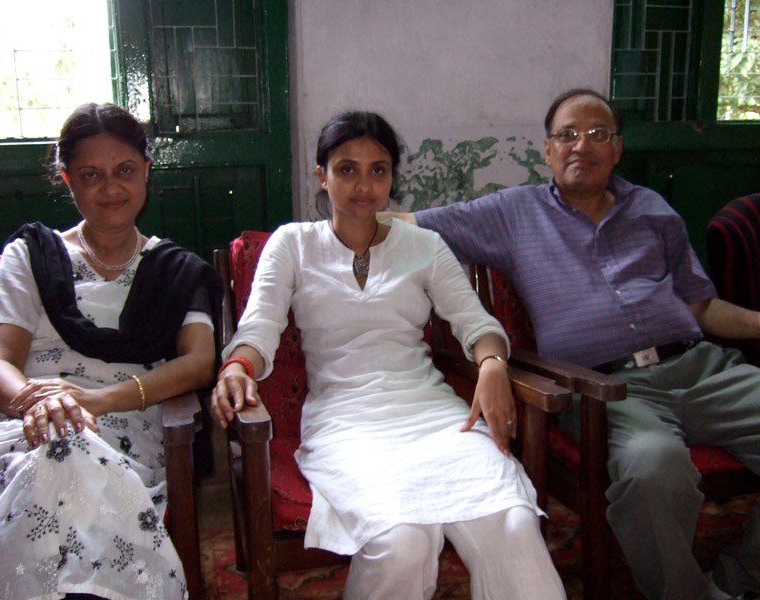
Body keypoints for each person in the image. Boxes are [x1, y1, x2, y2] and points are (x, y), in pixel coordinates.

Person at [386, 88, 760, 600]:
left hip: (703, 368)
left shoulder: (652, 208)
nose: (582, 145)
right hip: (608, 390)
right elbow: (411, 225)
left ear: (617, 149)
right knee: (652, 466)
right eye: (567, 135)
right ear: (547, 150)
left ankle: (749, 582)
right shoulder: (513, 213)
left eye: (598, 134)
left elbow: (701, 306)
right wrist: (320, 226)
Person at [210, 110, 566, 600]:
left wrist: (492, 366)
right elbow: (259, 328)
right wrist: (237, 365)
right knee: (401, 542)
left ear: (393, 178)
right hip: (347, 421)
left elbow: (476, 324)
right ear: (322, 175)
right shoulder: (292, 245)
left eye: (378, 169)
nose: (363, 185)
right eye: (347, 169)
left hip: (434, 417)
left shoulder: (425, 246)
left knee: (513, 522)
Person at [0, 103, 222, 599]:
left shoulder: (178, 270)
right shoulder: (32, 256)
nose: (111, 188)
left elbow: (199, 362)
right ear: (67, 178)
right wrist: (43, 402)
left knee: (71, 458)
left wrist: (98, 400)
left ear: (147, 172)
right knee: (57, 455)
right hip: (28, 425)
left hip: (125, 433)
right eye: (91, 175)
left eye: (125, 171)